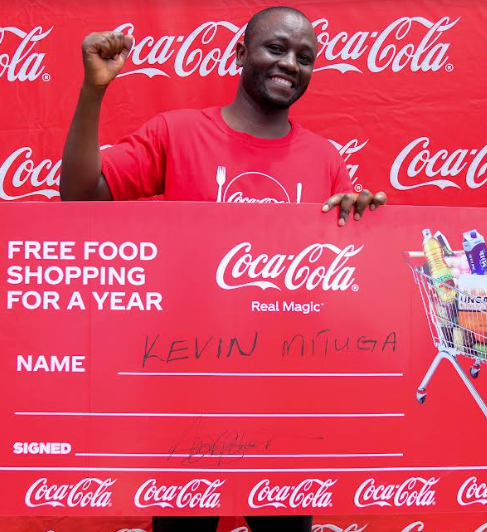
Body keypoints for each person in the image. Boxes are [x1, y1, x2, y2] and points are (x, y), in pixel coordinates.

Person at [60, 6, 387, 532]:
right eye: (275, 48)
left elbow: (342, 285)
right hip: (189, 383)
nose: (290, 64)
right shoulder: (178, 132)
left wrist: (364, 227)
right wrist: (94, 90)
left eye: (305, 57)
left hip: (284, 392)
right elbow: (79, 198)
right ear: (240, 53)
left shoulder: (326, 158)